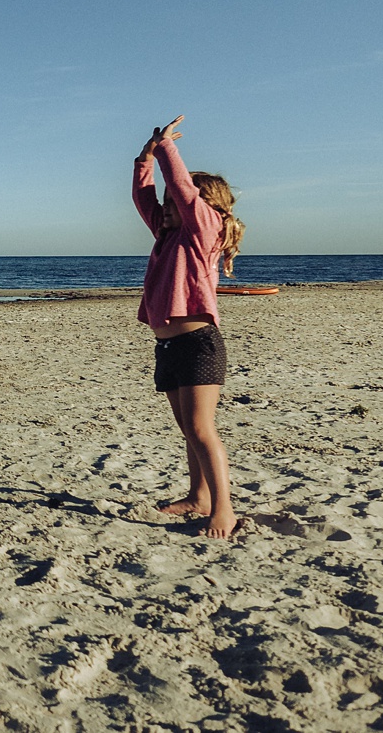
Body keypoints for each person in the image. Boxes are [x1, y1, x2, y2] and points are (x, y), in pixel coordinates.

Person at [133, 115, 245, 539]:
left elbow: (182, 189)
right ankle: (198, 495)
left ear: (202, 206)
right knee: (188, 431)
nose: (166, 206)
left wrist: (166, 149)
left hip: (199, 344)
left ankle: (224, 510)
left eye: (176, 201)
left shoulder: (204, 233)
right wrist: (144, 160)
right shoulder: (166, 236)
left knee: (201, 428)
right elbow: (146, 199)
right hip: (169, 349)